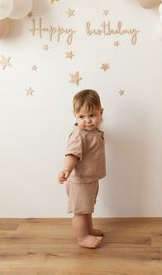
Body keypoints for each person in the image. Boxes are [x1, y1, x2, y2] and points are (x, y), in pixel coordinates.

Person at [58, 89, 106, 249]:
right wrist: (66, 169)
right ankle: (82, 237)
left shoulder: (94, 131)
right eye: (82, 117)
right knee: (80, 211)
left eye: (92, 115)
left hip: (90, 179)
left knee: (87, 209)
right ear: (75, 116)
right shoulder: (79, 135)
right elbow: (72, 154)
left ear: (101, 112)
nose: (87, 120)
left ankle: (89, 229)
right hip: (79, 181)